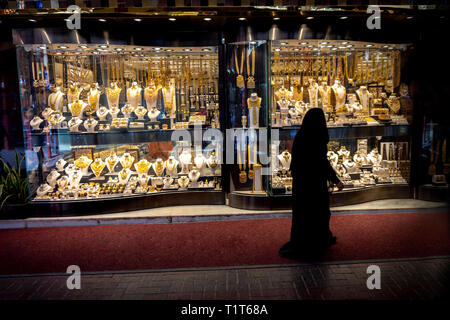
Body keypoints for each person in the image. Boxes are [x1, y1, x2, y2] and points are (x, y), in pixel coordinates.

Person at [279, 108, 344, 261]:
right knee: (318, 213)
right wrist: (336, 180)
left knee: (304, 216)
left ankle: (303, 242)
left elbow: (295, 165)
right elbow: (322, 163)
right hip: (315, 185)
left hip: (302, 185)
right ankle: (316, 243)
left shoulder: (301, 137)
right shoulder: (318, 138)